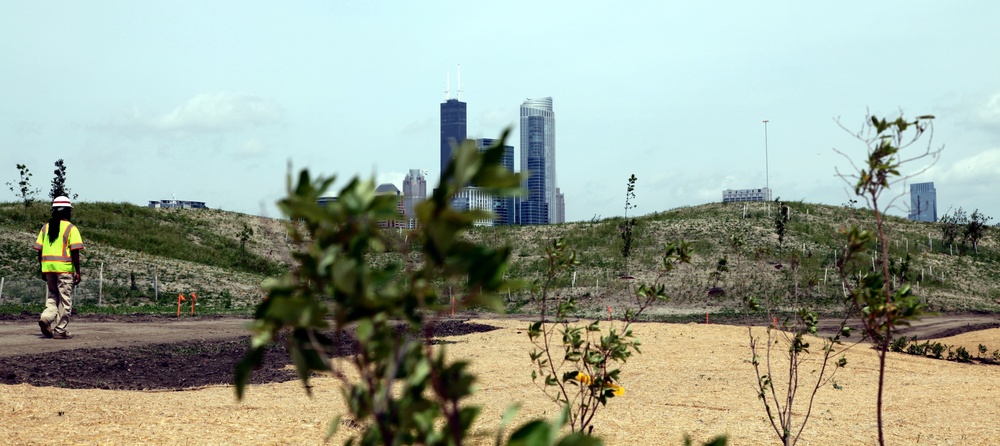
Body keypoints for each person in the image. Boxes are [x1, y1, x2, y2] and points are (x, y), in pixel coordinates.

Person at [33, 196, 83, 339]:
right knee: (65, 299)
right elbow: (75, 252)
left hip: (49, 268)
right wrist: (77, 271)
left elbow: (39, 250)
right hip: (64, 269)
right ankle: (60, 330)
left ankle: (46, 318)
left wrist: (43, 269)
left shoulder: (45, 228)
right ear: (68, 211)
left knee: (53, 296)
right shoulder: (71, 228)